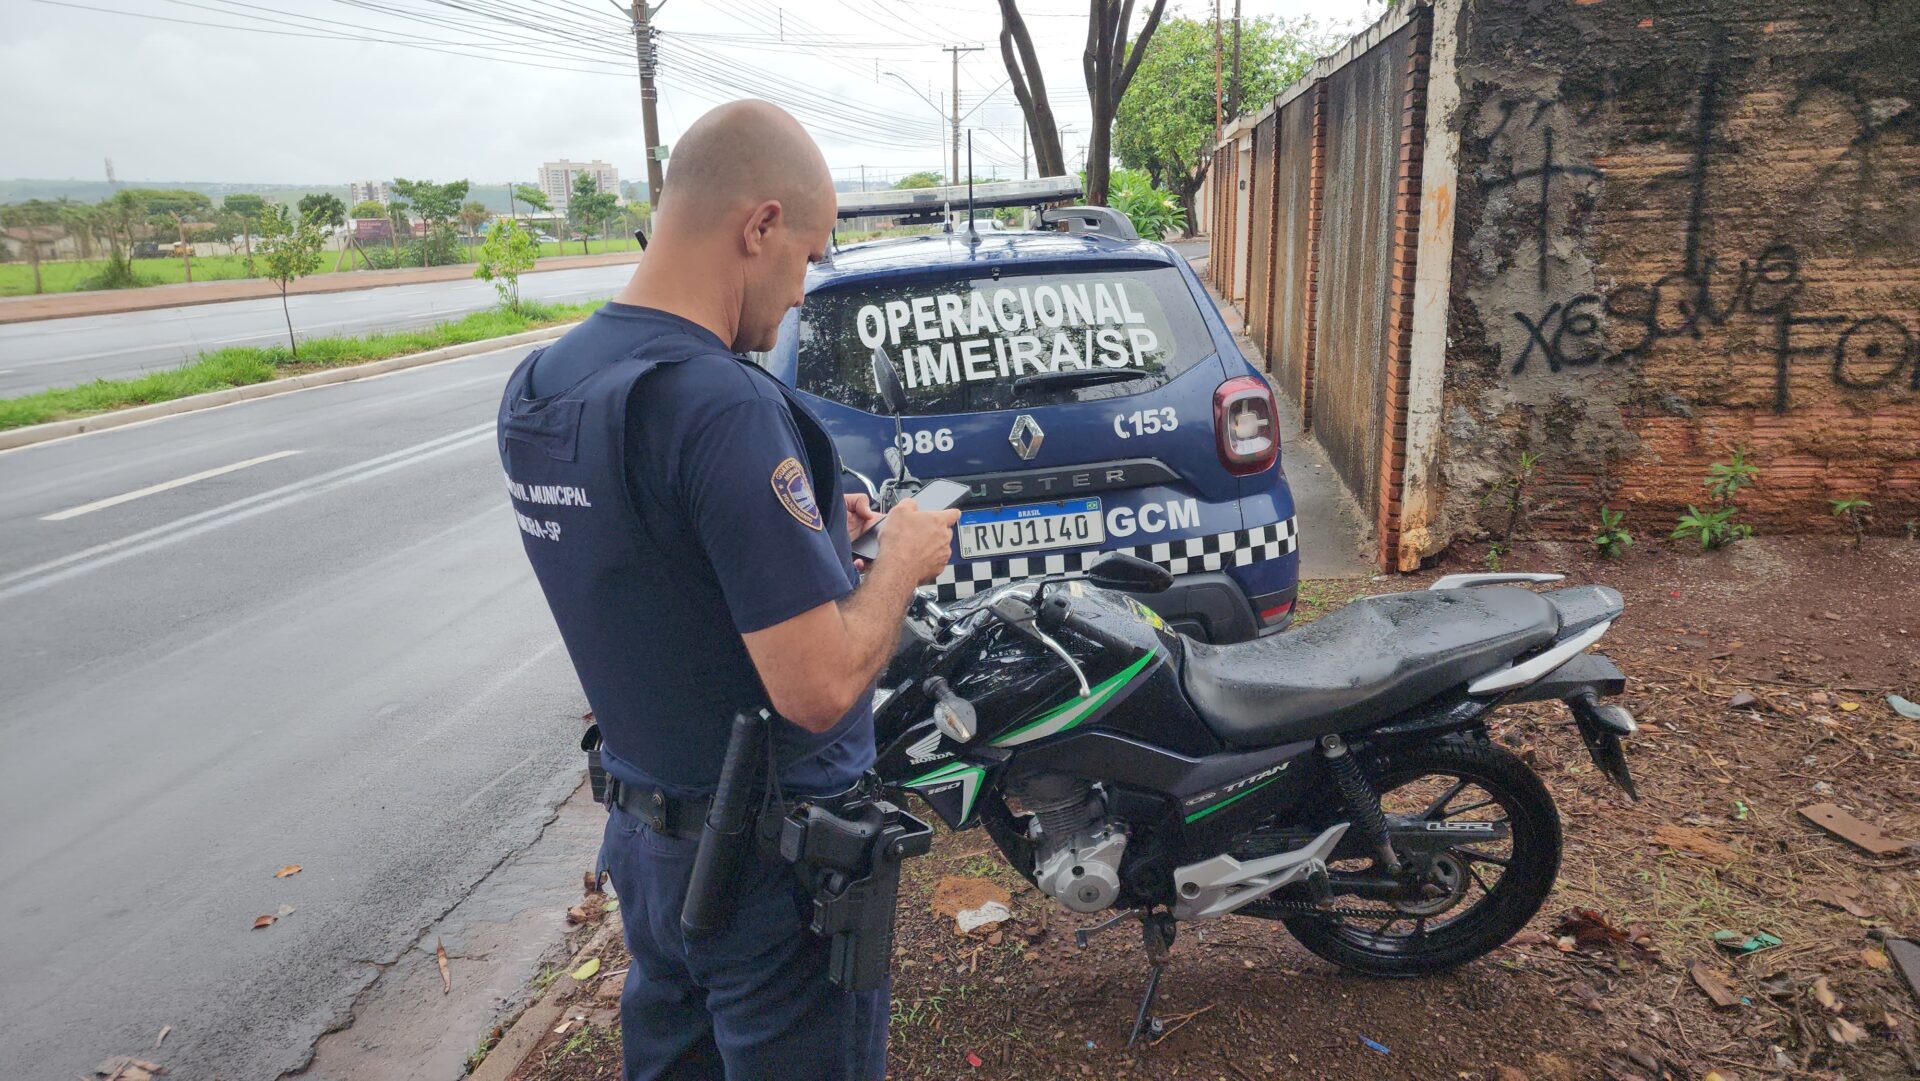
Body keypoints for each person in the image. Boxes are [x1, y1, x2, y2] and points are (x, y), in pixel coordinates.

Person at [496, 100, 958, 1080]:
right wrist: (899, 563)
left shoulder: (543, 384)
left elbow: (653, 570)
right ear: (759, 226)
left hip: (649, 850)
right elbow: (821, 687)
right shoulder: (721, 407)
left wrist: (813, 541)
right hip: (769, 874)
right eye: (805, 256)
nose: (798, 295)